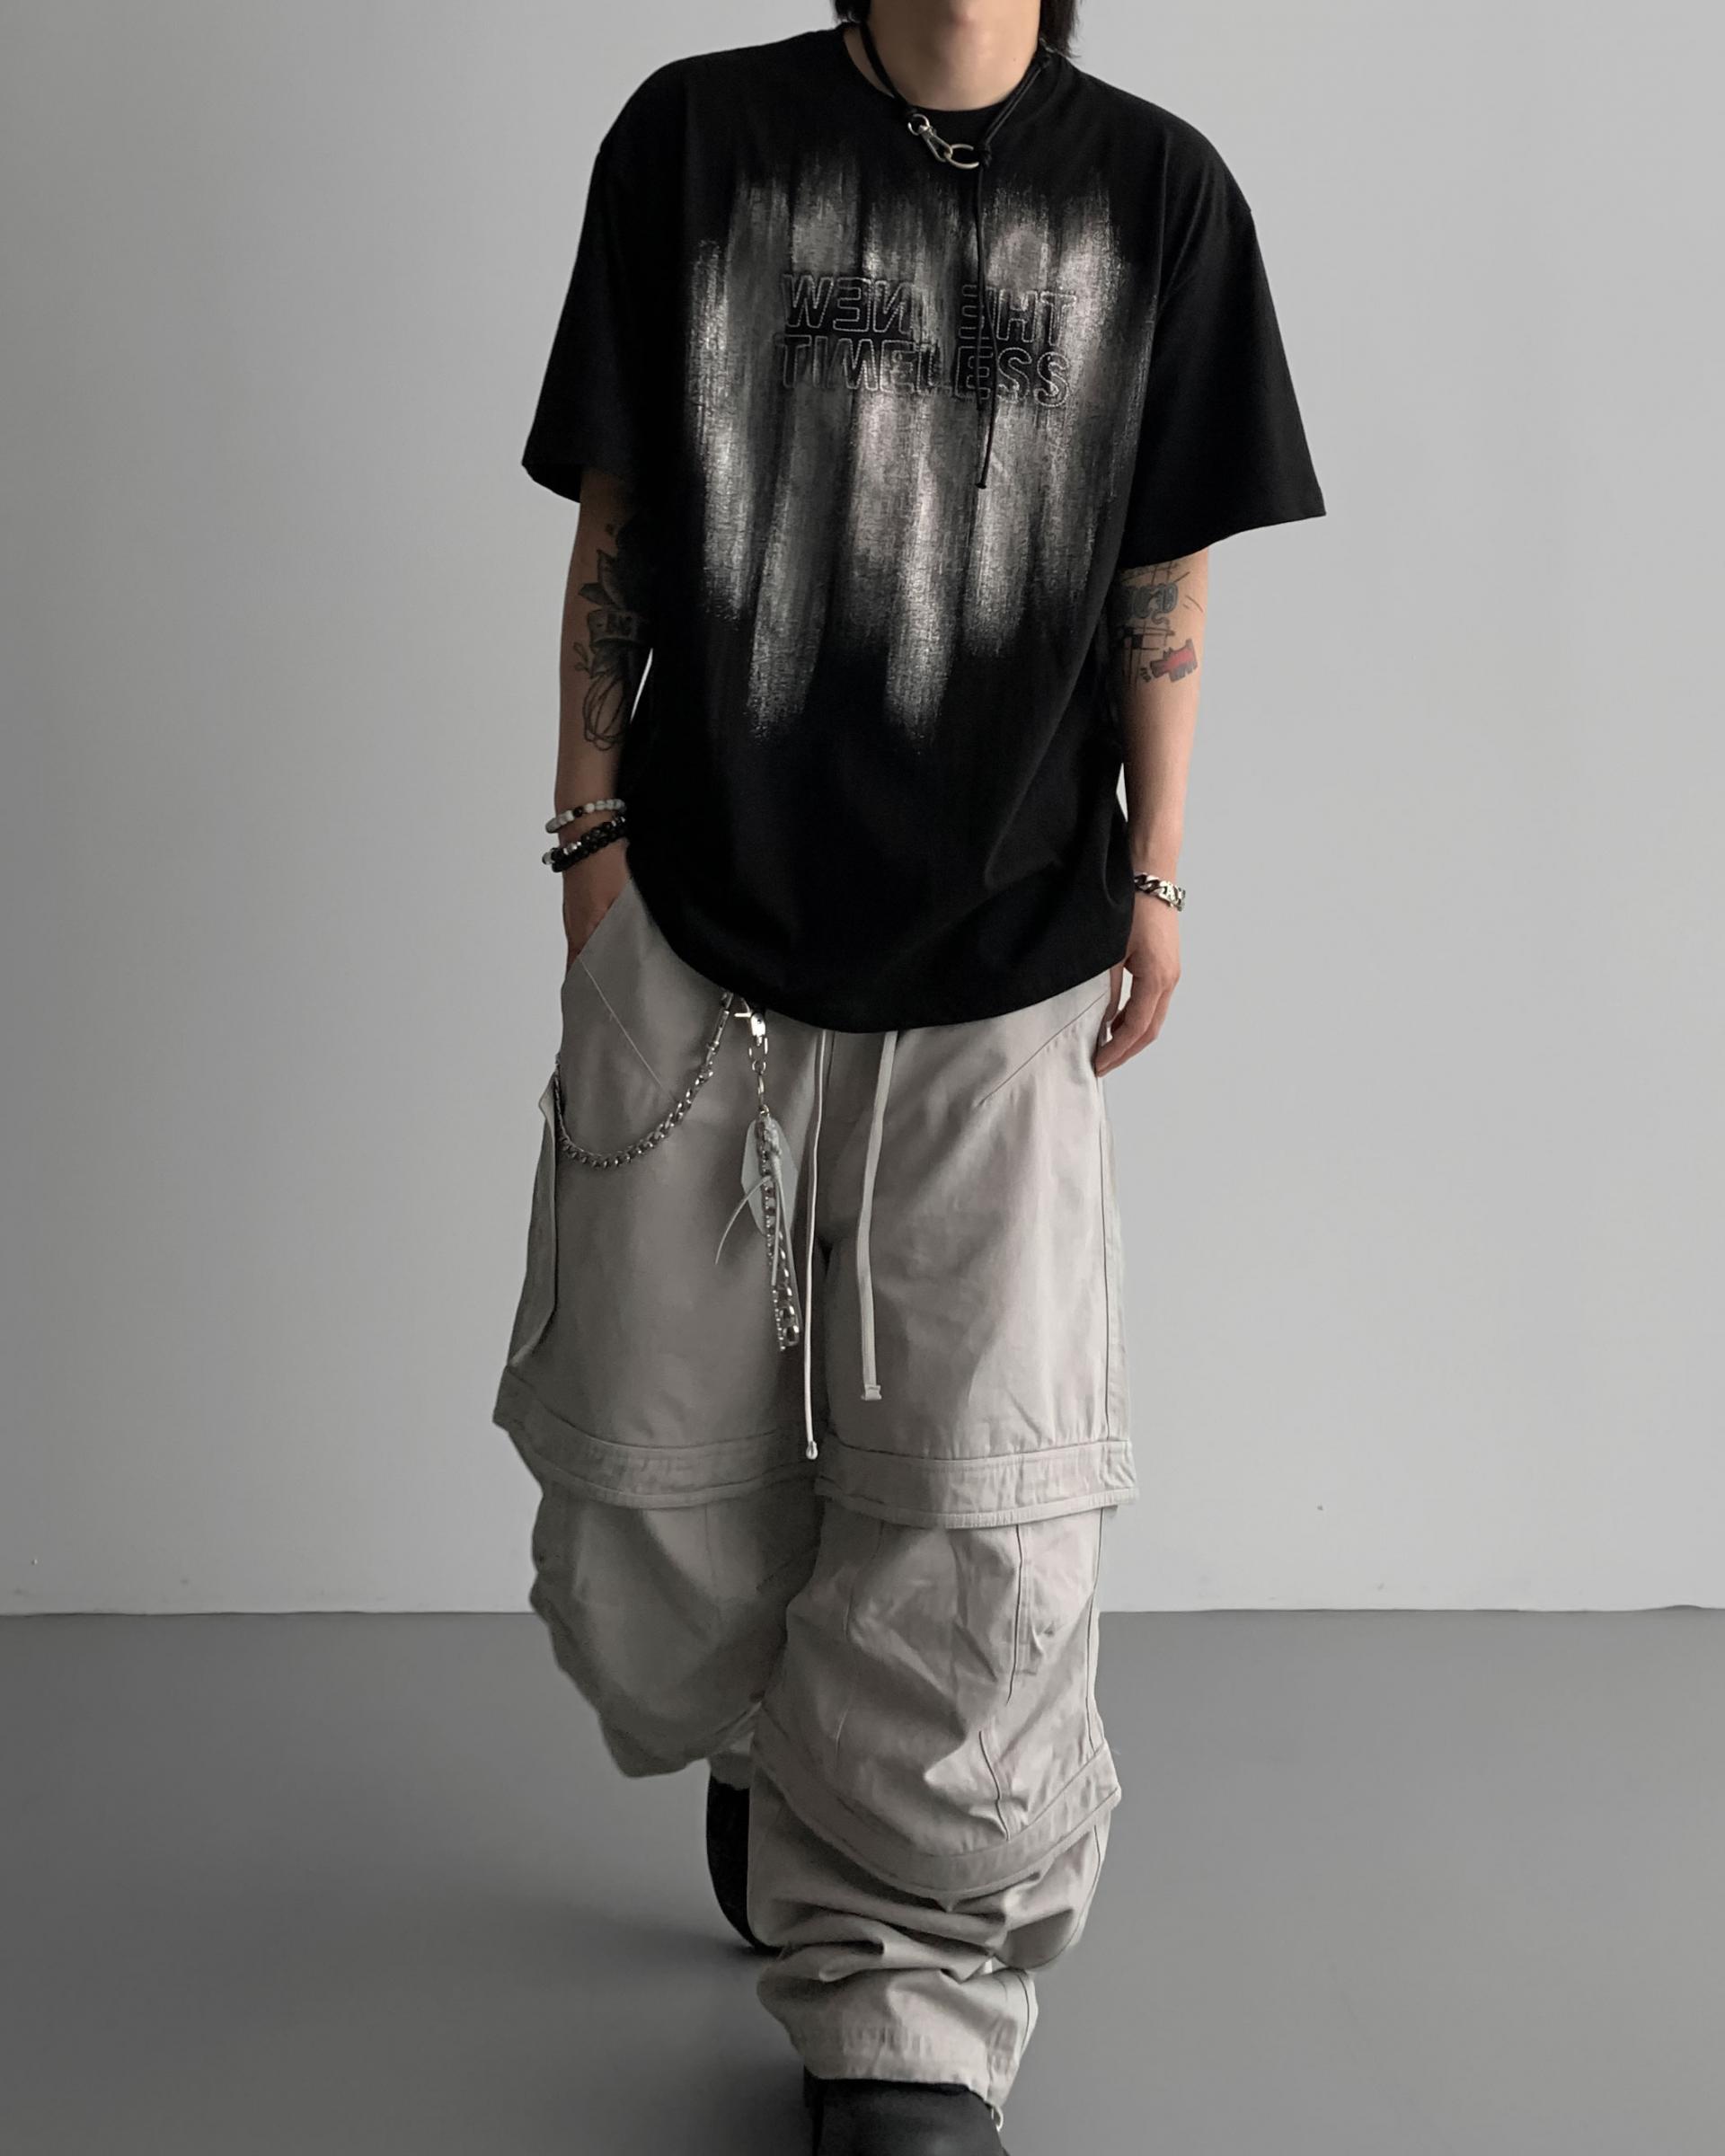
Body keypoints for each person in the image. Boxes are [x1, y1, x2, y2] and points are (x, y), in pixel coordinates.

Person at [492, 1, 1324, 2147]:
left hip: (1008, 950)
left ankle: (903, 2002)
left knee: (978, 1510)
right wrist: (587, 837)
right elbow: (620, 507)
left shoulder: (1157, 194)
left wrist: (1158, 871)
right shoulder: (695, 141)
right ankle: (773, 1743)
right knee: (650, 1514)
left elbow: (1161, 569)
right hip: (702, 932)